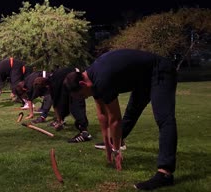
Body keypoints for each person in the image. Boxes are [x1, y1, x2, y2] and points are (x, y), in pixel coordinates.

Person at [63, 49, 177, 190]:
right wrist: (108, 145)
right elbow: (102, 116)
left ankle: (165, 173)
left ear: (82, 84)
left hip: (160, 70)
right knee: (131, 113)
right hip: (143, 79)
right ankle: (115, 141)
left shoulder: (102, 79)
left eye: (81, 96)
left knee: (164, 119)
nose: (84, 98)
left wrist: (116, 150)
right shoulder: (91, 77)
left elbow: (114, 119)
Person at [20, 68, 92, 143]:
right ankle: (78, 127)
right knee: (70, 104)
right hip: (75, 76)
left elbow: (55, 105)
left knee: (75, 107)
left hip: (74, 83)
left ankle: (84, 133)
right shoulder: (53, 77)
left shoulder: (53, 86)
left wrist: (59, 121)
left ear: (45, 87)